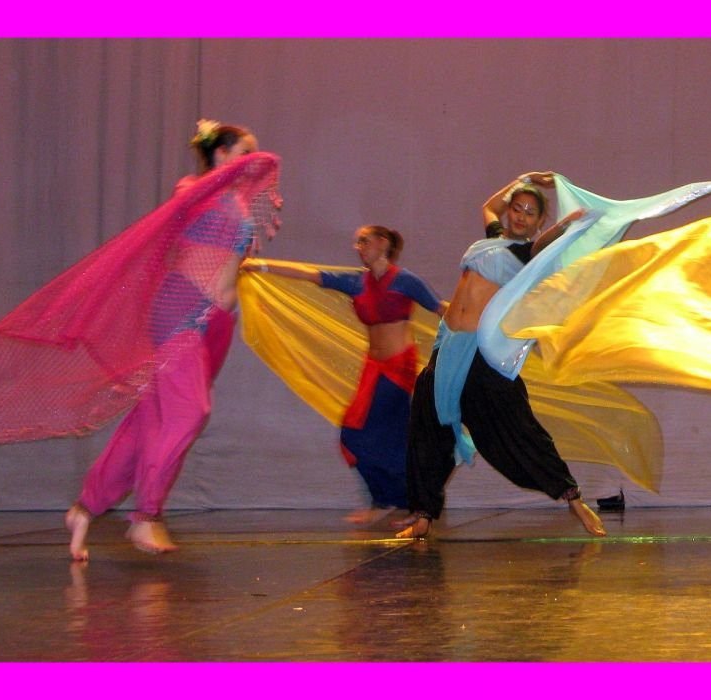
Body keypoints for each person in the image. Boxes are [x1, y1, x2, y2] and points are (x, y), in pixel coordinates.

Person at [61, 120, 277, 559]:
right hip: (181, 310)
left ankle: (86, 508)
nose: (252, 163)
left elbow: (223, 260)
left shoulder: (236, 203)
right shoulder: (193, 189)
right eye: (245, 154)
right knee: (188, 410)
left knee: (150, 419)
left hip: (215, 323)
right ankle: (146, 516)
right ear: (220, 155)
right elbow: (189, 212)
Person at [398, 172, 601, 539]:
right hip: (448, 346)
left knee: (515, 427)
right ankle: (423, 516)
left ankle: (574, 499)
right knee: (426, 427)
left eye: (530, 213)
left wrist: (567, 224)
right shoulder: (493, 241)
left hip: (481, 352)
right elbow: (489, 207)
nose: (520, 216)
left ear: (539, 222)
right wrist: (524, 179)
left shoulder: (527, 254)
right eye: (517, 208)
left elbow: (545, 243)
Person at [240, 226, 445, 525]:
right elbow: (309, 274)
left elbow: (442, 309)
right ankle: (395, 500)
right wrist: (260, 265)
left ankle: (402, 500)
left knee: (359, 434)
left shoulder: (405, 281)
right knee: (385, 437)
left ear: (383, 243)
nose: (358, 247)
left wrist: (477, 327)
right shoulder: (357, 282)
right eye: (357, 242)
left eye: (364, 241)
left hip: (398, 368)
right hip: (373, 368)